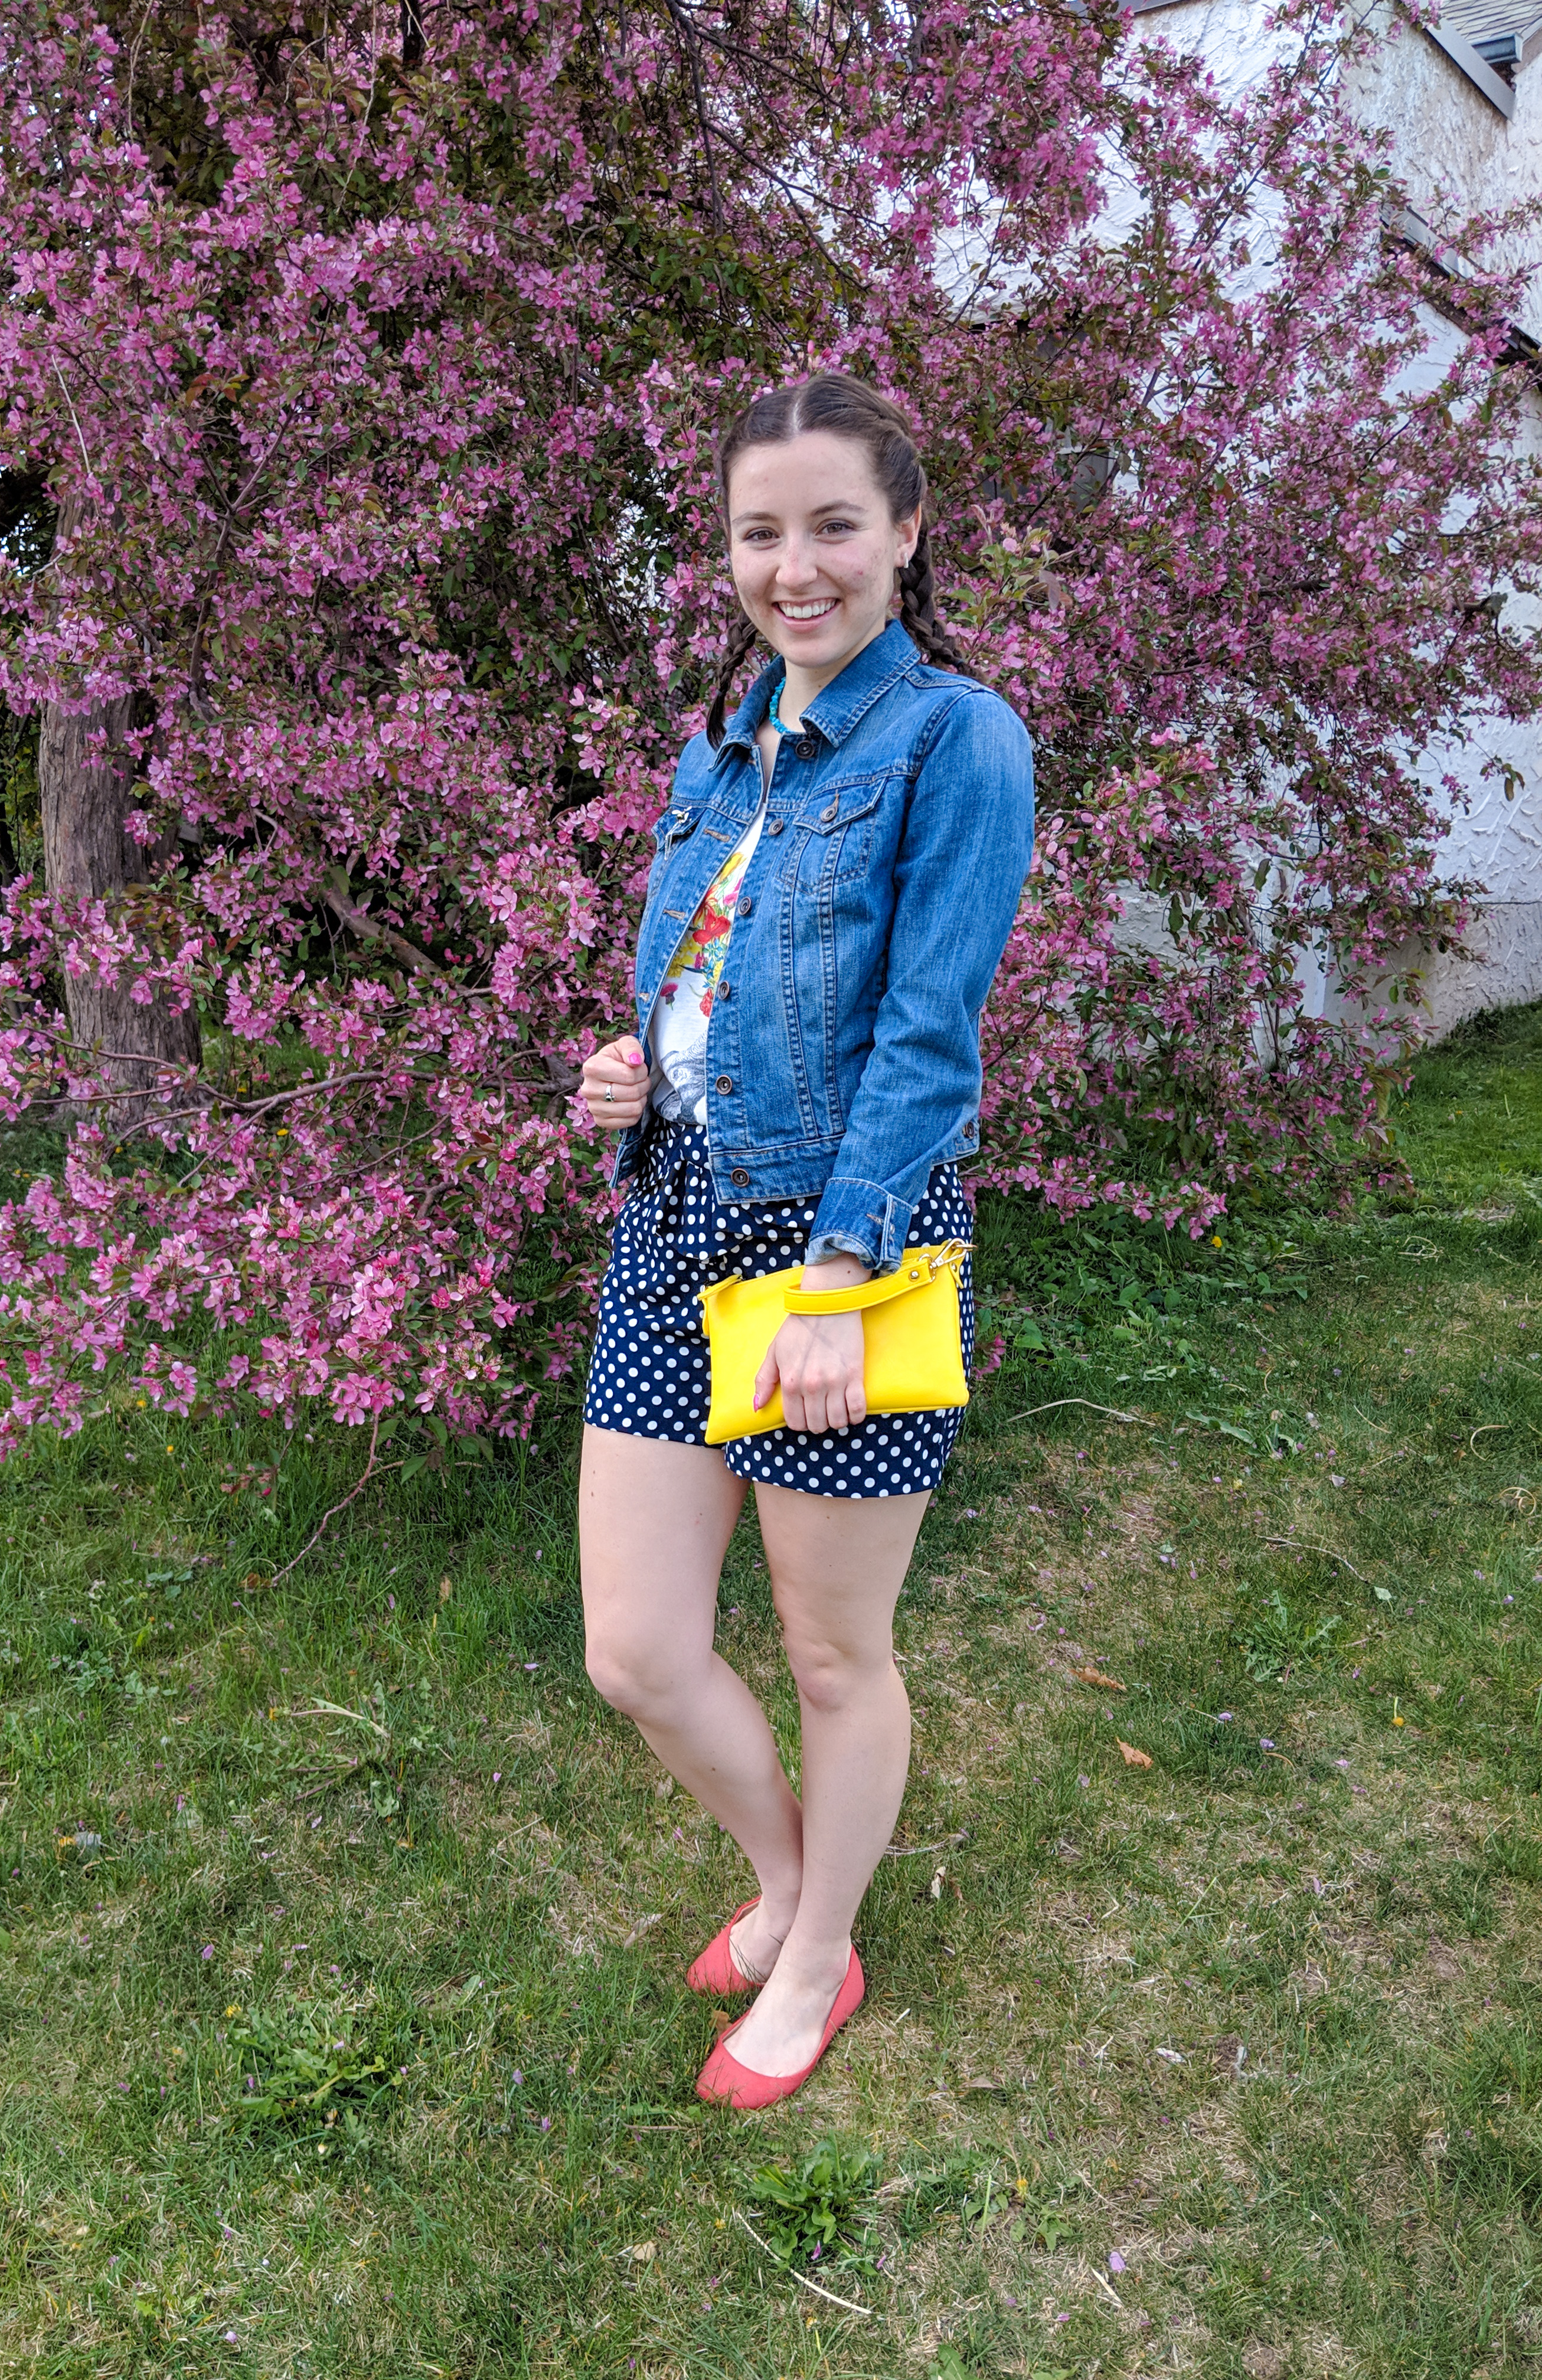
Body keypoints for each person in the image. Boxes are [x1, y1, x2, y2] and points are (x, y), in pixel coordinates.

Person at [577, 372, 1034, 2108]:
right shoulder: (719, 749)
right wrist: (638, 1065)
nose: (798, 565)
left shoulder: (954, 740)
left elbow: (929, 1034)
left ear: (905, 533)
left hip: (846, 1247)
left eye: (836, 524)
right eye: (763, 531)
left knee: (835, 1649)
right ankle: (787, 1882)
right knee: (638, 1649)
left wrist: (841, 1284)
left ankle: (819, 1949)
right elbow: (715, 981)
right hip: (676, 1220)